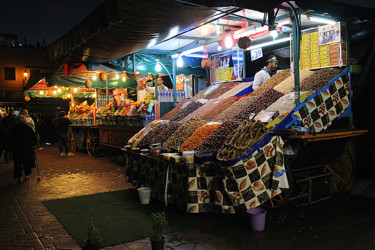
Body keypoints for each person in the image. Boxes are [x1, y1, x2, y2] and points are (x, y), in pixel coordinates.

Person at [8, 115, 37, 183]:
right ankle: (27, 175)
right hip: (27, 148)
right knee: (27, 162)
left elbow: (10, 139)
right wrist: (34, 144)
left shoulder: (14, 129)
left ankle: (19, 177)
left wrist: (10, 148)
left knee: (17, 163)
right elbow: (34, 137)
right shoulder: (28, 128)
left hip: (17, 149)